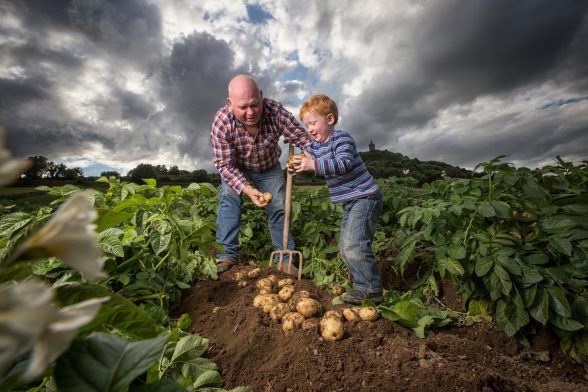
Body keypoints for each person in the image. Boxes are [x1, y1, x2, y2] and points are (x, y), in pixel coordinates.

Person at [210, 75, 310, 274]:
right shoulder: (222, 123)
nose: (250, 112)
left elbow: (303, 138)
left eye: (255, 105)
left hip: (268, 167)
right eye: (243, 107)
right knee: (228, 201)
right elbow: (224, 165)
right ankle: (227, 256)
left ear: (261, 96)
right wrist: (247, 189)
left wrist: (309, 158)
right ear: (230, 103)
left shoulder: (276, 112)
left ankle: (285, 257)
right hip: (237, 168)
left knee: (279, 205)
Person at [292, 94, 384, 304]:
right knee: (345, 247)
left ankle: (370, 290)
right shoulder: (316, 146)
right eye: (306, 125)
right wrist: (300, 161)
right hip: (352, 201)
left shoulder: (342, 139)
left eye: (313, 123)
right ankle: (363, 286)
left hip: (366, 196)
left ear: (330, 119)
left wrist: (313, 165)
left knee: (354, 244)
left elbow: (342, 164)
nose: (310, 129)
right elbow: (309, 154)